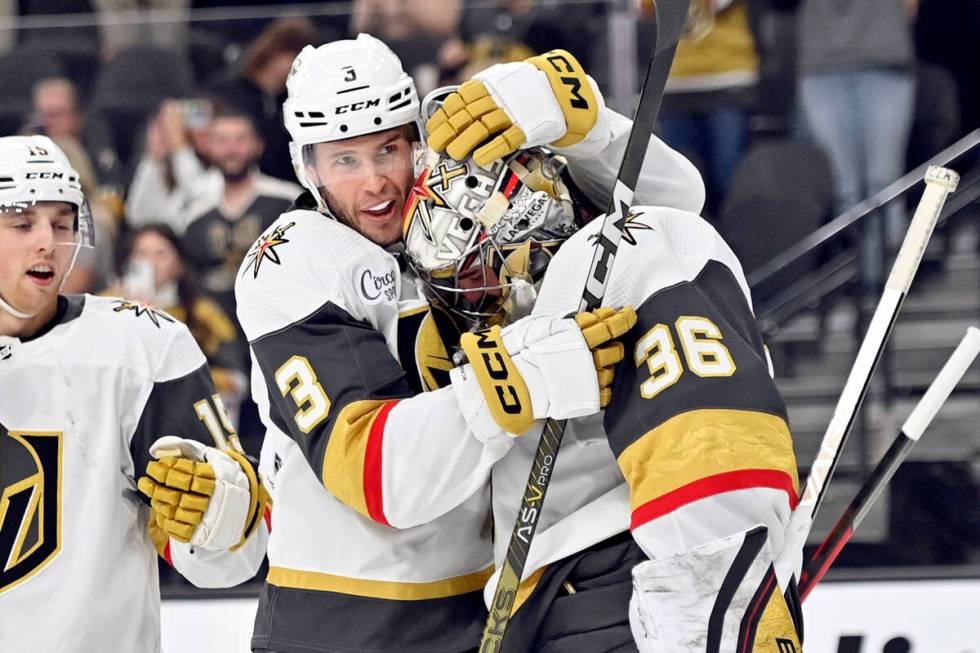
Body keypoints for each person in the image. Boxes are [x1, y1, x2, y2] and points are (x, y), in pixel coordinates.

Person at [205, 32, 702, 653]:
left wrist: (592, 129)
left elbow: (670, 221)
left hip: (480, 611)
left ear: (416, 141)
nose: (375, 183)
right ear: (307, 167)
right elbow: (378, 478)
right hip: (338, 623)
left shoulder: (459, 212)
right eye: (345, 160)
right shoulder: (291, 258)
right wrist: (522, 377)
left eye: (388, 149)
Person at [404, 121, 803, 650]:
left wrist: (723, 598)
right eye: (450, 276)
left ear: (528, 228)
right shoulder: (486, 336)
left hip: (618, 588)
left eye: (477, 266)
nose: (470, 296)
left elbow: (707, 447)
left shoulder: (626, 252)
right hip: (545, 606)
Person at [0, 135, 265, 651]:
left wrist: (218, 509)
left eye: (61, 223)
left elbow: (232, 562)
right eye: (22, 223)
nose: (46, 243)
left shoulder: (139, 345)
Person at [113, 223, 248, 425]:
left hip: (185, 417)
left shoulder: (202, 312)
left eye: (160, 254)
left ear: (179, 264)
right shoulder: (105, 306)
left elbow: (237, 379)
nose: (151, 263)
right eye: (141, 253)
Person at [126, 98, 222, 234]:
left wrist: (179, 145)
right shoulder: (175, 170)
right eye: (195, 118)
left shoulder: (230, 172)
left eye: (211, 121)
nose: (203, 130)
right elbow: (138, 217)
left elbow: (202, 201)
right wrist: (154, 159)